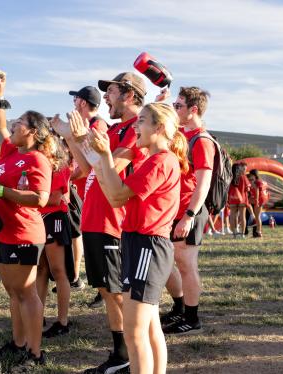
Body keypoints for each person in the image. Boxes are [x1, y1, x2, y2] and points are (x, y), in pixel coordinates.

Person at [53, 72, 147, 373]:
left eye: (112, 91)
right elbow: (84, 169)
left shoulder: (137, 129)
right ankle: (121, 354)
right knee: (107, 291)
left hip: (113, 221)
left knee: (117, 293)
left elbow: (112, 168)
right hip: (95, 218)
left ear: (130, 96)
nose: (106, 96)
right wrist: (70, 136)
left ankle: (128, 357)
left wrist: (79, 138)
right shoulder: (118, 129)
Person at [89, 102, 186, 374]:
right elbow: (113, 195)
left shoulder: (160, 161)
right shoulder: (155, 160)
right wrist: (101, 158)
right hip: (139, 243)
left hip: (148, 246)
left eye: (141, 121)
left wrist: (105, 156)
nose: (135, 126)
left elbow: (117, 194)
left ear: (159, 127)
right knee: (150, 326)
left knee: (134, 333)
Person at [0, 74, 57, 371]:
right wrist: (0, 92)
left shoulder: (37, 159)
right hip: (1, 230)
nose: (13, 126)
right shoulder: (11, 152)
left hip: (23, 233)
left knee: (27, 293)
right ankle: (17, 343)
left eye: (19, 123)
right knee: (13, 292)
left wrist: (2, 192)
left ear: (33, 132)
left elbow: (40, 198)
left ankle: (36, 353)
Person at [161, 87, 214, 335]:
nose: (175, 108)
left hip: (189, 211)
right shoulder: (184, 133)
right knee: (173, 261)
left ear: (193, 110)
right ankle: (181, 308)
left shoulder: (201, 140)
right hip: (175, 209)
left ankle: (192, 318)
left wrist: (189, 216)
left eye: (179, 105)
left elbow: (203, 183)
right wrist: (161, 103)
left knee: (187, 264)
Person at [68, 86, 108, 292]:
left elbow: (95, 163)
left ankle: (105, 289)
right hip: (87, 191)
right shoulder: (88, 124)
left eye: (76, 99)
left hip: (97, 193)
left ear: (83, 102)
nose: (74, 103)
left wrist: (69, 176)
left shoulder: (97, 126)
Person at [37, 146, 72, 338]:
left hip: (54, 218)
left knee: (58, 270)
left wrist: (29, 197)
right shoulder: (35, 163)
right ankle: (37, 314)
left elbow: (55, 198)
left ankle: (62, 321)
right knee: (40, 269)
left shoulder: (59, 166)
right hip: (38, 219)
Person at [227, 163, 249, 238]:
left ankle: (234, 233)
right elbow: (248, 189)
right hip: (242, 199)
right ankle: (242, 234)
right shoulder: (243, 177)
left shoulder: (230, 178)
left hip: (232, 198)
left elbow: (227, 189)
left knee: (233, 216)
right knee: (242, 216)